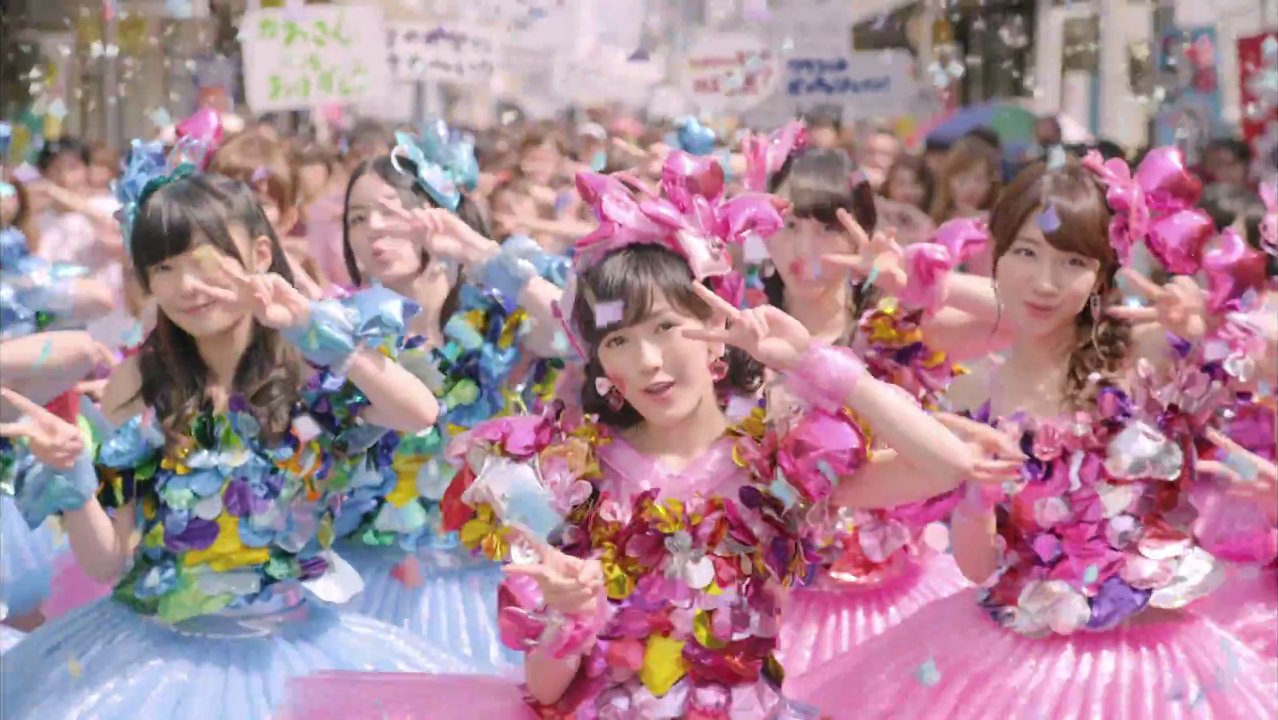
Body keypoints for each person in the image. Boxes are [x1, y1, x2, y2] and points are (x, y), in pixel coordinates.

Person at [283, 151, 1017, 719]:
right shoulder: (562, 472)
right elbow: (544, 688)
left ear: (715, 331)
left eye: (667, 327)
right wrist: (570, 619)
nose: (649, 361)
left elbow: (946, 465)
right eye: (619, 341)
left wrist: (818, 365)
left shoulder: (777, 457)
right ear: (598, 362)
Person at [787, 159, 1278, 719]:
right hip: (1015, 664)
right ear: (997, 253)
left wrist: (1211, 324)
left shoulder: (1141, 353)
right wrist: (977, 502)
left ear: (1102, 274)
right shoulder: (980, 382)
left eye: (1073, 262)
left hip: (1150, 671)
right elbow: (979, 568)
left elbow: (1264, 358)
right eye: (1026, 253)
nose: (1045, 282)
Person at [0, 170, 476, 719]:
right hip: (156, 667)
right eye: (163, 268)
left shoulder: (312, 370)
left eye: (204, 261)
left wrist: (314, 328)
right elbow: (107, 563)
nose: (186, 286)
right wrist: (73, 477)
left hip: (295, 656)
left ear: (260, 254)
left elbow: (418, 412)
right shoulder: (138, 381)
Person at [331, 127, 567, 671]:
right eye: (357, 219)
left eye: (390, 212)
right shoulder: (342, 334)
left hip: (489, 587)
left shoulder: (500, 317)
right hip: (375, 587)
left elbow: (577, 330)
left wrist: (480, 252)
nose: (373, 230)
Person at [757, 147, 972, 677]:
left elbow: (1032, 317)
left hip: (892, 612)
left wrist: (904, 280)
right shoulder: (738, 335)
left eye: (829, 228)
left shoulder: (898, 327)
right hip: (769, 614)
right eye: (790, 225)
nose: (806, 248)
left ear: (862, 232)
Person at [930, 138, 1002, 275]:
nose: (971, 188)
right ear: (948, 180)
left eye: (979, 179)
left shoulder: (995, 225)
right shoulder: (936, 222)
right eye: (962, 179)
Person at [854, 124, 901, 193]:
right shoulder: (853, 179)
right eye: (870, 152)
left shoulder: (904, 188)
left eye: (885, 154)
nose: (876, 159)